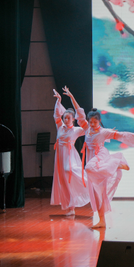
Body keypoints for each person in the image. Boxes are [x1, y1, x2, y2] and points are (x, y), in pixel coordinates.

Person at [83, 109, 134, 229]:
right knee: (96, 192)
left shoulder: (103, 132)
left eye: (95, 122)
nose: (92, 124)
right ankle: (102, 221)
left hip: (100, 157)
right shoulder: (88, 130)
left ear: (99, 121)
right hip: (92, 158)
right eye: (90, 122)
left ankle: (116, 163)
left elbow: (121, 134)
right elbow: (79, 114)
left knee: (88, 168)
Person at [50, 87, 89, 216]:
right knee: (64, 181)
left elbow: (87, 127)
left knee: (69, 171)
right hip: (59, 157)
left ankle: (89, 182)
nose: (66, 120)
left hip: (70, 156)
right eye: (65, 118)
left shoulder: (76, 130)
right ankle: (71, 208)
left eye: (68, 118)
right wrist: (59, 100)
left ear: (73, 119)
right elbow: (56, 115)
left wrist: (71, 97)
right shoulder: (60, 127)